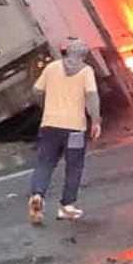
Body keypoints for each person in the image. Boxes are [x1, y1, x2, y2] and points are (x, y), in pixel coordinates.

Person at [28, 38, 101, 224]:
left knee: (45, 163)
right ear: (83, 56)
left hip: (50, 125)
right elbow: (92, 97)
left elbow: (36, 91)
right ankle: (66, 207)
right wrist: (96, 121)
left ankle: (37, 195)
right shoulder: (86, 71)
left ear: (67, 52)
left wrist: (46, 106)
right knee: (74, 166)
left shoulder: (52, 68)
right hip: (75, 129)